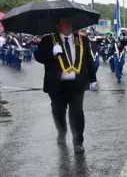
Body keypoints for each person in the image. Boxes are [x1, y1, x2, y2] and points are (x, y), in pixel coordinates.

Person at [34, 18, 97, 154]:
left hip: (77, 84)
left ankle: (78, 142)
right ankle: (61, 133)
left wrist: (93, 79)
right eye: (65, 23)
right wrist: (52, 53)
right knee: (58, 112)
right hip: (57, 85)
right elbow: (39, 57)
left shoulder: (82, 40)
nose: (68, 25)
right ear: (58, 26)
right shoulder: (48, 40)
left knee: (77, 113)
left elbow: (88, 59)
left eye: (70, 22)